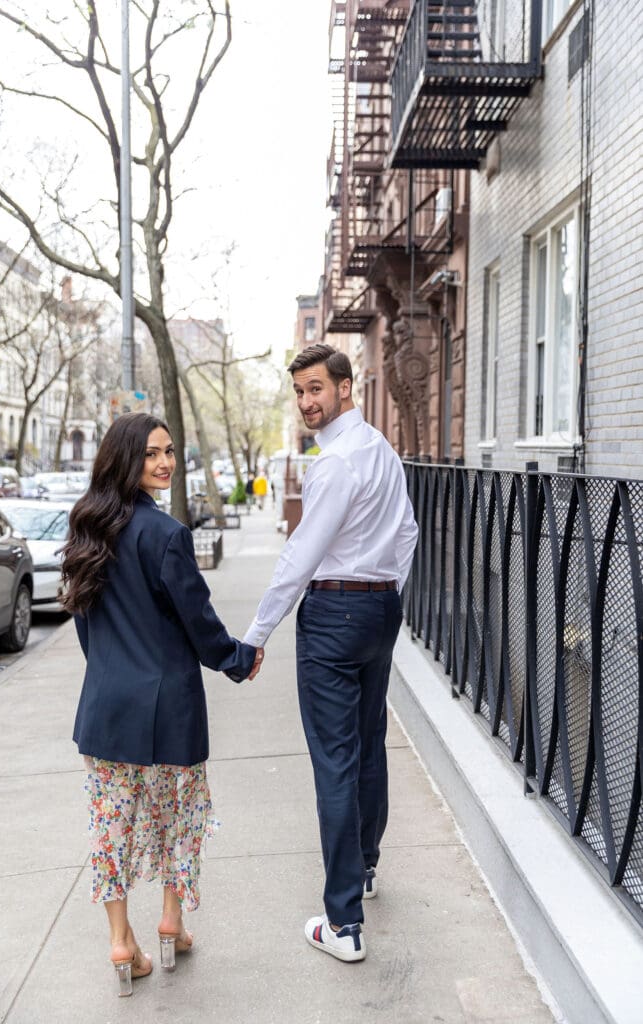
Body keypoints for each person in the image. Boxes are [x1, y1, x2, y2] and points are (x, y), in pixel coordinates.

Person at [61, 413, 264, 996]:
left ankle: (121, 941)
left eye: (170, 452)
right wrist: (237, 658)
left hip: (105, 707)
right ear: (126, 458)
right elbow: (198, 622)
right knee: (180, 819)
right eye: (153, 453)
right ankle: (172, 921)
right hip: (171, 704)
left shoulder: (86, 530)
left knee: (110, 828)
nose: (165, 463)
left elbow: (85, 628)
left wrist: (110, 673)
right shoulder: (167, 535)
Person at [243, 344, 418, 962]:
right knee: (368, 743)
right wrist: (388, 592)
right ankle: (365, 867)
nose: (307, 402)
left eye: (316, 389)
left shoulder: (335, 464)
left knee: (336, 761)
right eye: (299, 392)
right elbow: (408, 533)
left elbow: (300, 557)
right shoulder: (382, 452)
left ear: (346, 388)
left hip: (335, 613)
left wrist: (256, 635)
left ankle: (343, 924)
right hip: (378, 609)